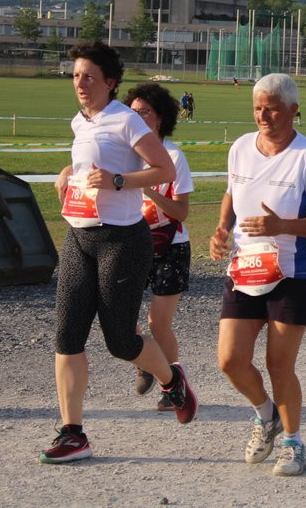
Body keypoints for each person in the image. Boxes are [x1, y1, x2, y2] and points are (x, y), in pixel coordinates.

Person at [44, 41, 195, 464]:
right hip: (79, 237)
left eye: (89, 76)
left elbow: (162, 169)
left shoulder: (126, 120)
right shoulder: (81, 121)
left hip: (123, 241)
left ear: (110, 83)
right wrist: (69, 173)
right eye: (75, 75)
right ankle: (73, 433)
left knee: (120, 341)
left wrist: (116, 182)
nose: (80, 83)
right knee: (67, 335)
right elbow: (90, 162)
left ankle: (172, 380)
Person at [209, 73, 306, 476]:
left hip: (295, 272)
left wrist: (282, 226)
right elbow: (232, 193)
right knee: (230, 359)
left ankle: (294, 442)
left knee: (279, 363)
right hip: (245, 267)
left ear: (293, 111)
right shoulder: (241, 148)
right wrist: (221, 229)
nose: (264, 116)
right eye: (258, 108)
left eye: (273, 108)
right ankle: (266, 415)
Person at [124, 82, 195, 411]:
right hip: (131, 241)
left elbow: (181, 212)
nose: (136, 117)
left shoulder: (174, 156)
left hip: (170, 245)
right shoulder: (123, 152)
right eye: (132, 112)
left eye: (144, 112)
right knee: (119, 312)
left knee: (158, 323)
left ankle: (174, 387)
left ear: (160, 118)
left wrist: (150, 190)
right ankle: (146, 360)